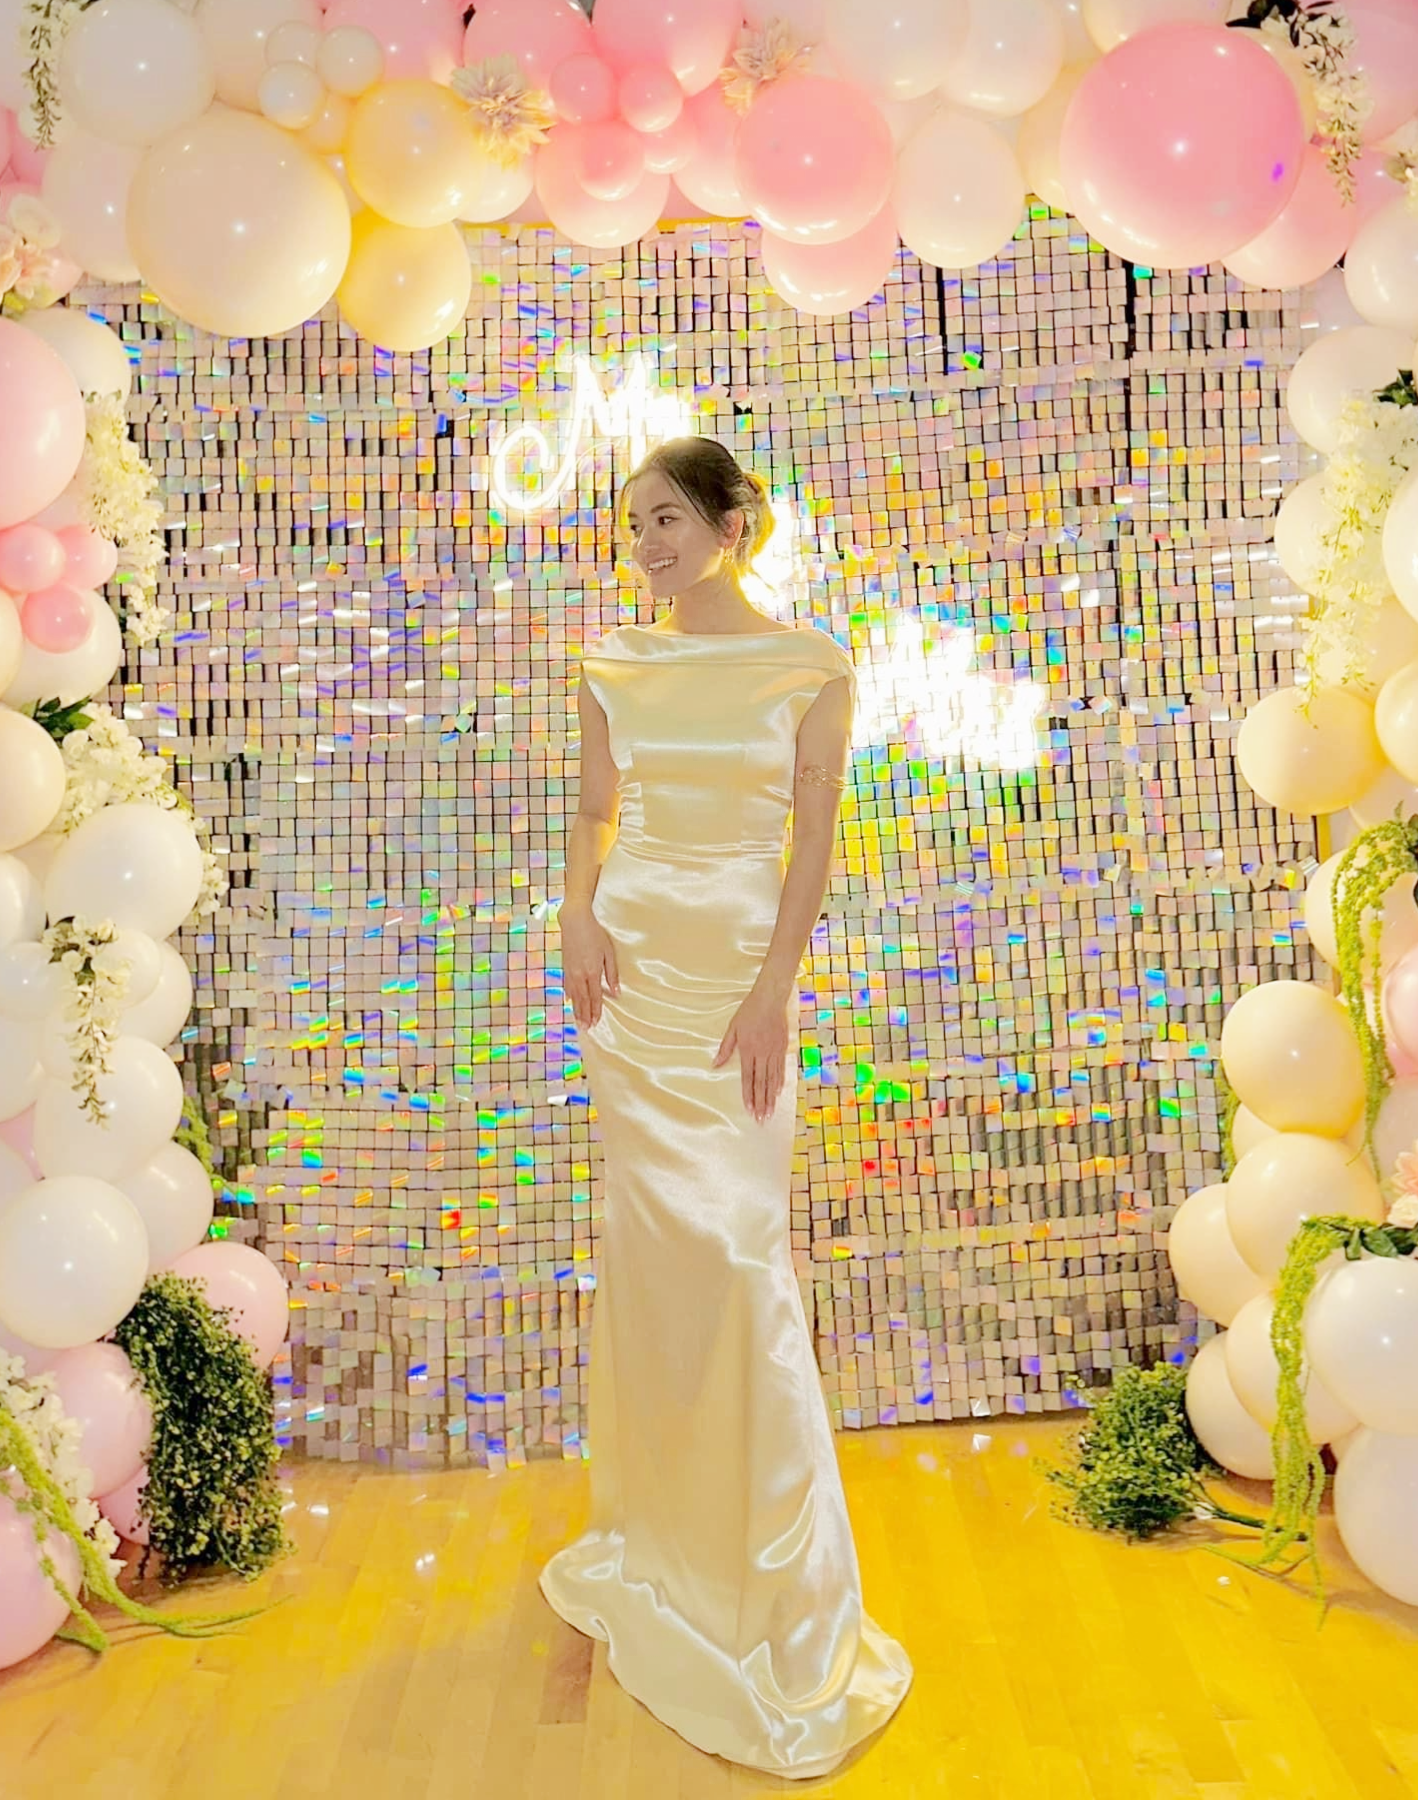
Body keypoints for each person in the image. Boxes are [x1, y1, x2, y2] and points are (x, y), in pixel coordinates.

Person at [543, 437, 912, 1779]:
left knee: (742, 1259)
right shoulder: (612, 663)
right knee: (656, 1261)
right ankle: (665, 1551)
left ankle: (784, 1601)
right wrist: (575, 914)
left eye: (665, 519)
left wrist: (772, 994)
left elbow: (811, 845)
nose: (645, 545)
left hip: (738, 984)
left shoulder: (809, 666)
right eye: (631, 525)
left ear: (731, 521)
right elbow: (595, 813)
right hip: (631, 985)